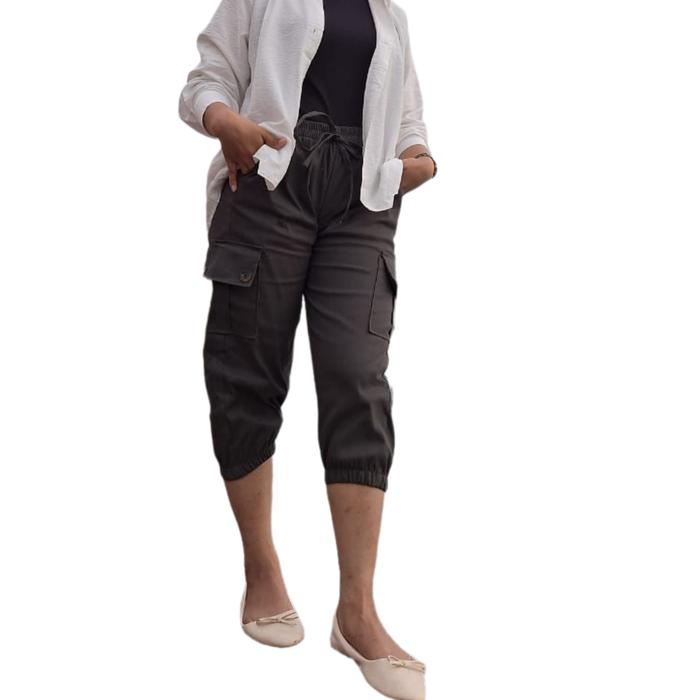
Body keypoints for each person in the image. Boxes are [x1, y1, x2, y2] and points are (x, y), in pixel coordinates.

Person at [178, 1, 436, 697]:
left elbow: (406, 114)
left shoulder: (390, 12)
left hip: (363, 203)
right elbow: (206, 79)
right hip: (271, 184)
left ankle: (357, 613)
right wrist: (227, 123)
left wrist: (418, 159)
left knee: (359, 378)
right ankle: (261, 569)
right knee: (248, 371)